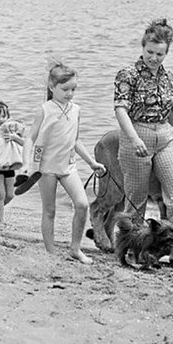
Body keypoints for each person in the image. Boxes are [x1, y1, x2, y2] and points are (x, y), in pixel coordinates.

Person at [114, 18, 173, 267]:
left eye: (160, 54)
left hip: (164, 136)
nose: (154, 58)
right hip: (136, 134)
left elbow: (172, 113)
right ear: (143, 47)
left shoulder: (167, 77)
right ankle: (132, 251)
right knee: (136, 199)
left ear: (167, 52)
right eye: (150, 52)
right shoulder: (127, 74)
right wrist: (133, 138)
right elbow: (120, 109)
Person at [20, 61, 106, 264]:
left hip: (68, 166)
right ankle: (50, 253)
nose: (70, 93)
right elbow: (30, 138)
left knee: (83, 204)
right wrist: (26, 164)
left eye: (73, 89)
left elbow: (75, 140)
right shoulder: (45, 109)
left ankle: (75, 248)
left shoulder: (76, 109)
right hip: (46, 168)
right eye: (65, 89)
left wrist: (92, 162)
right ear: (52, 87)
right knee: (49, 211)